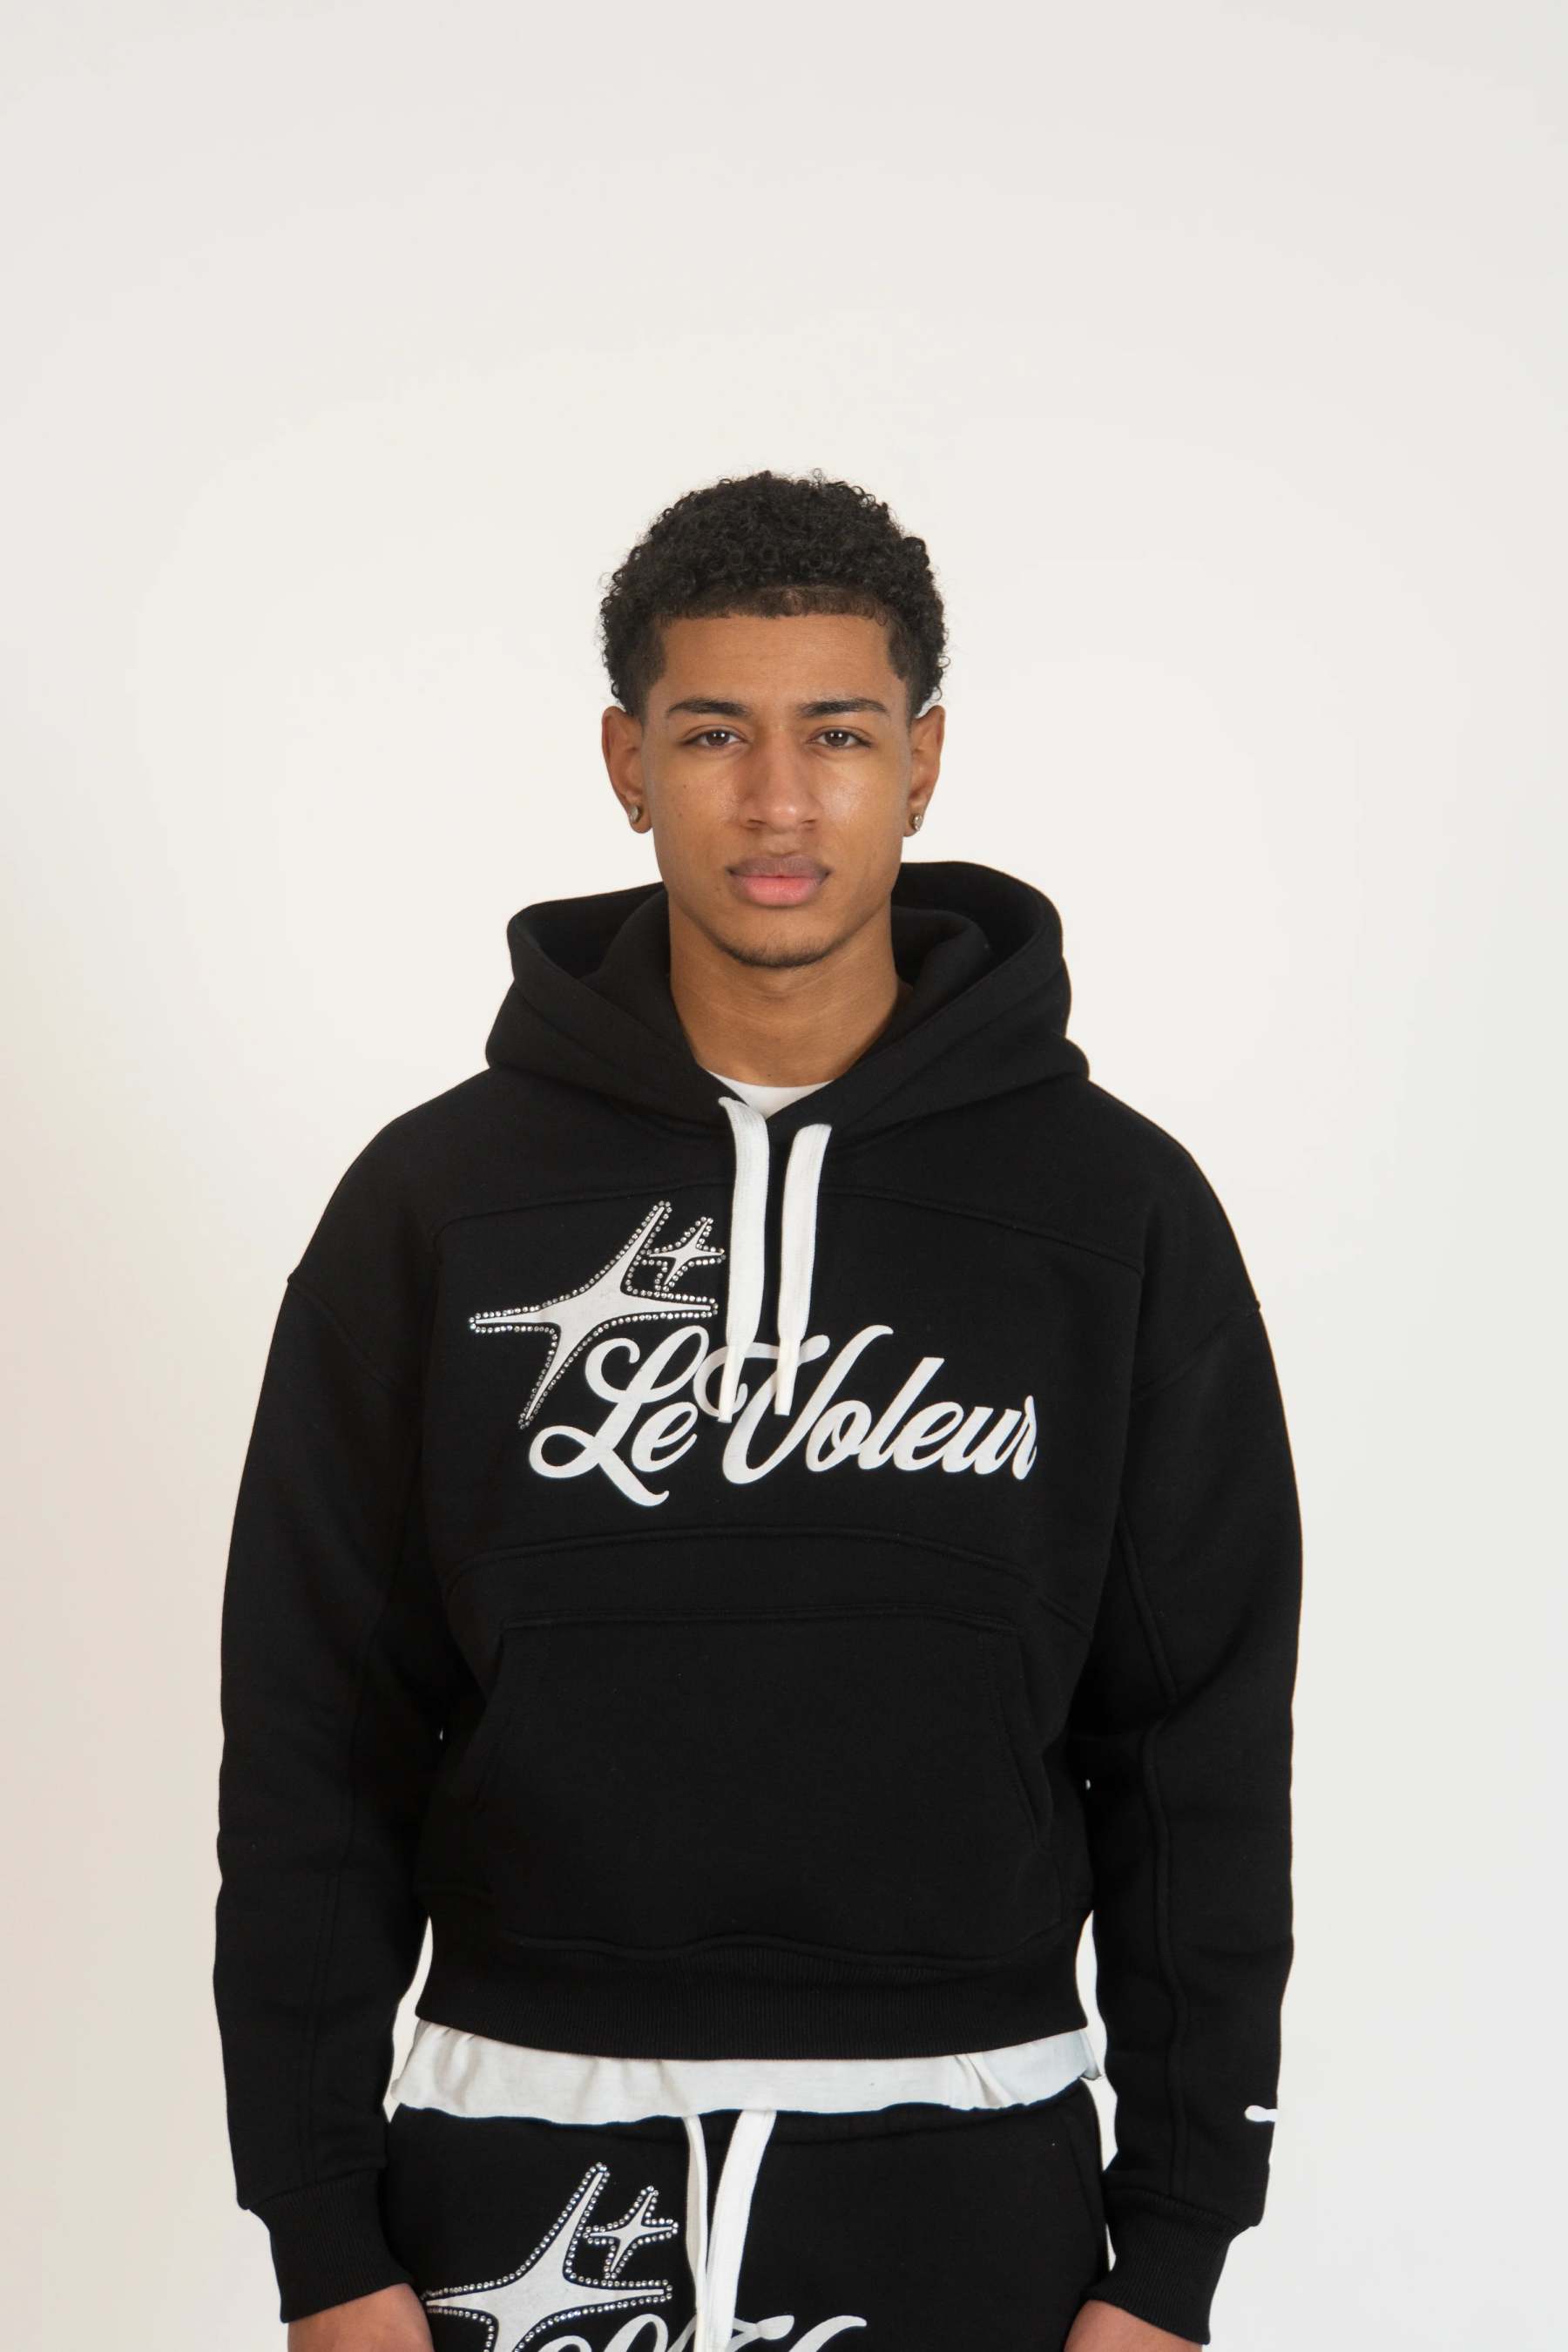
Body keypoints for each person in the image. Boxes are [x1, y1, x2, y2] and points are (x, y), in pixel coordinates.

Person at [213, 468, 1301, 2351]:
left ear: (925, 762)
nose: (780, 802)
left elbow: (1195, 1753)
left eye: (840, 735)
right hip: (511, 2166)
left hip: (977, 2175)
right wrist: (320, 2237)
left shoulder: (1112, 1216)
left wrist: (1177, 2254)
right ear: (627, 764)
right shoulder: (438, 1208)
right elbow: (316, 1728)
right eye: (715, 733)